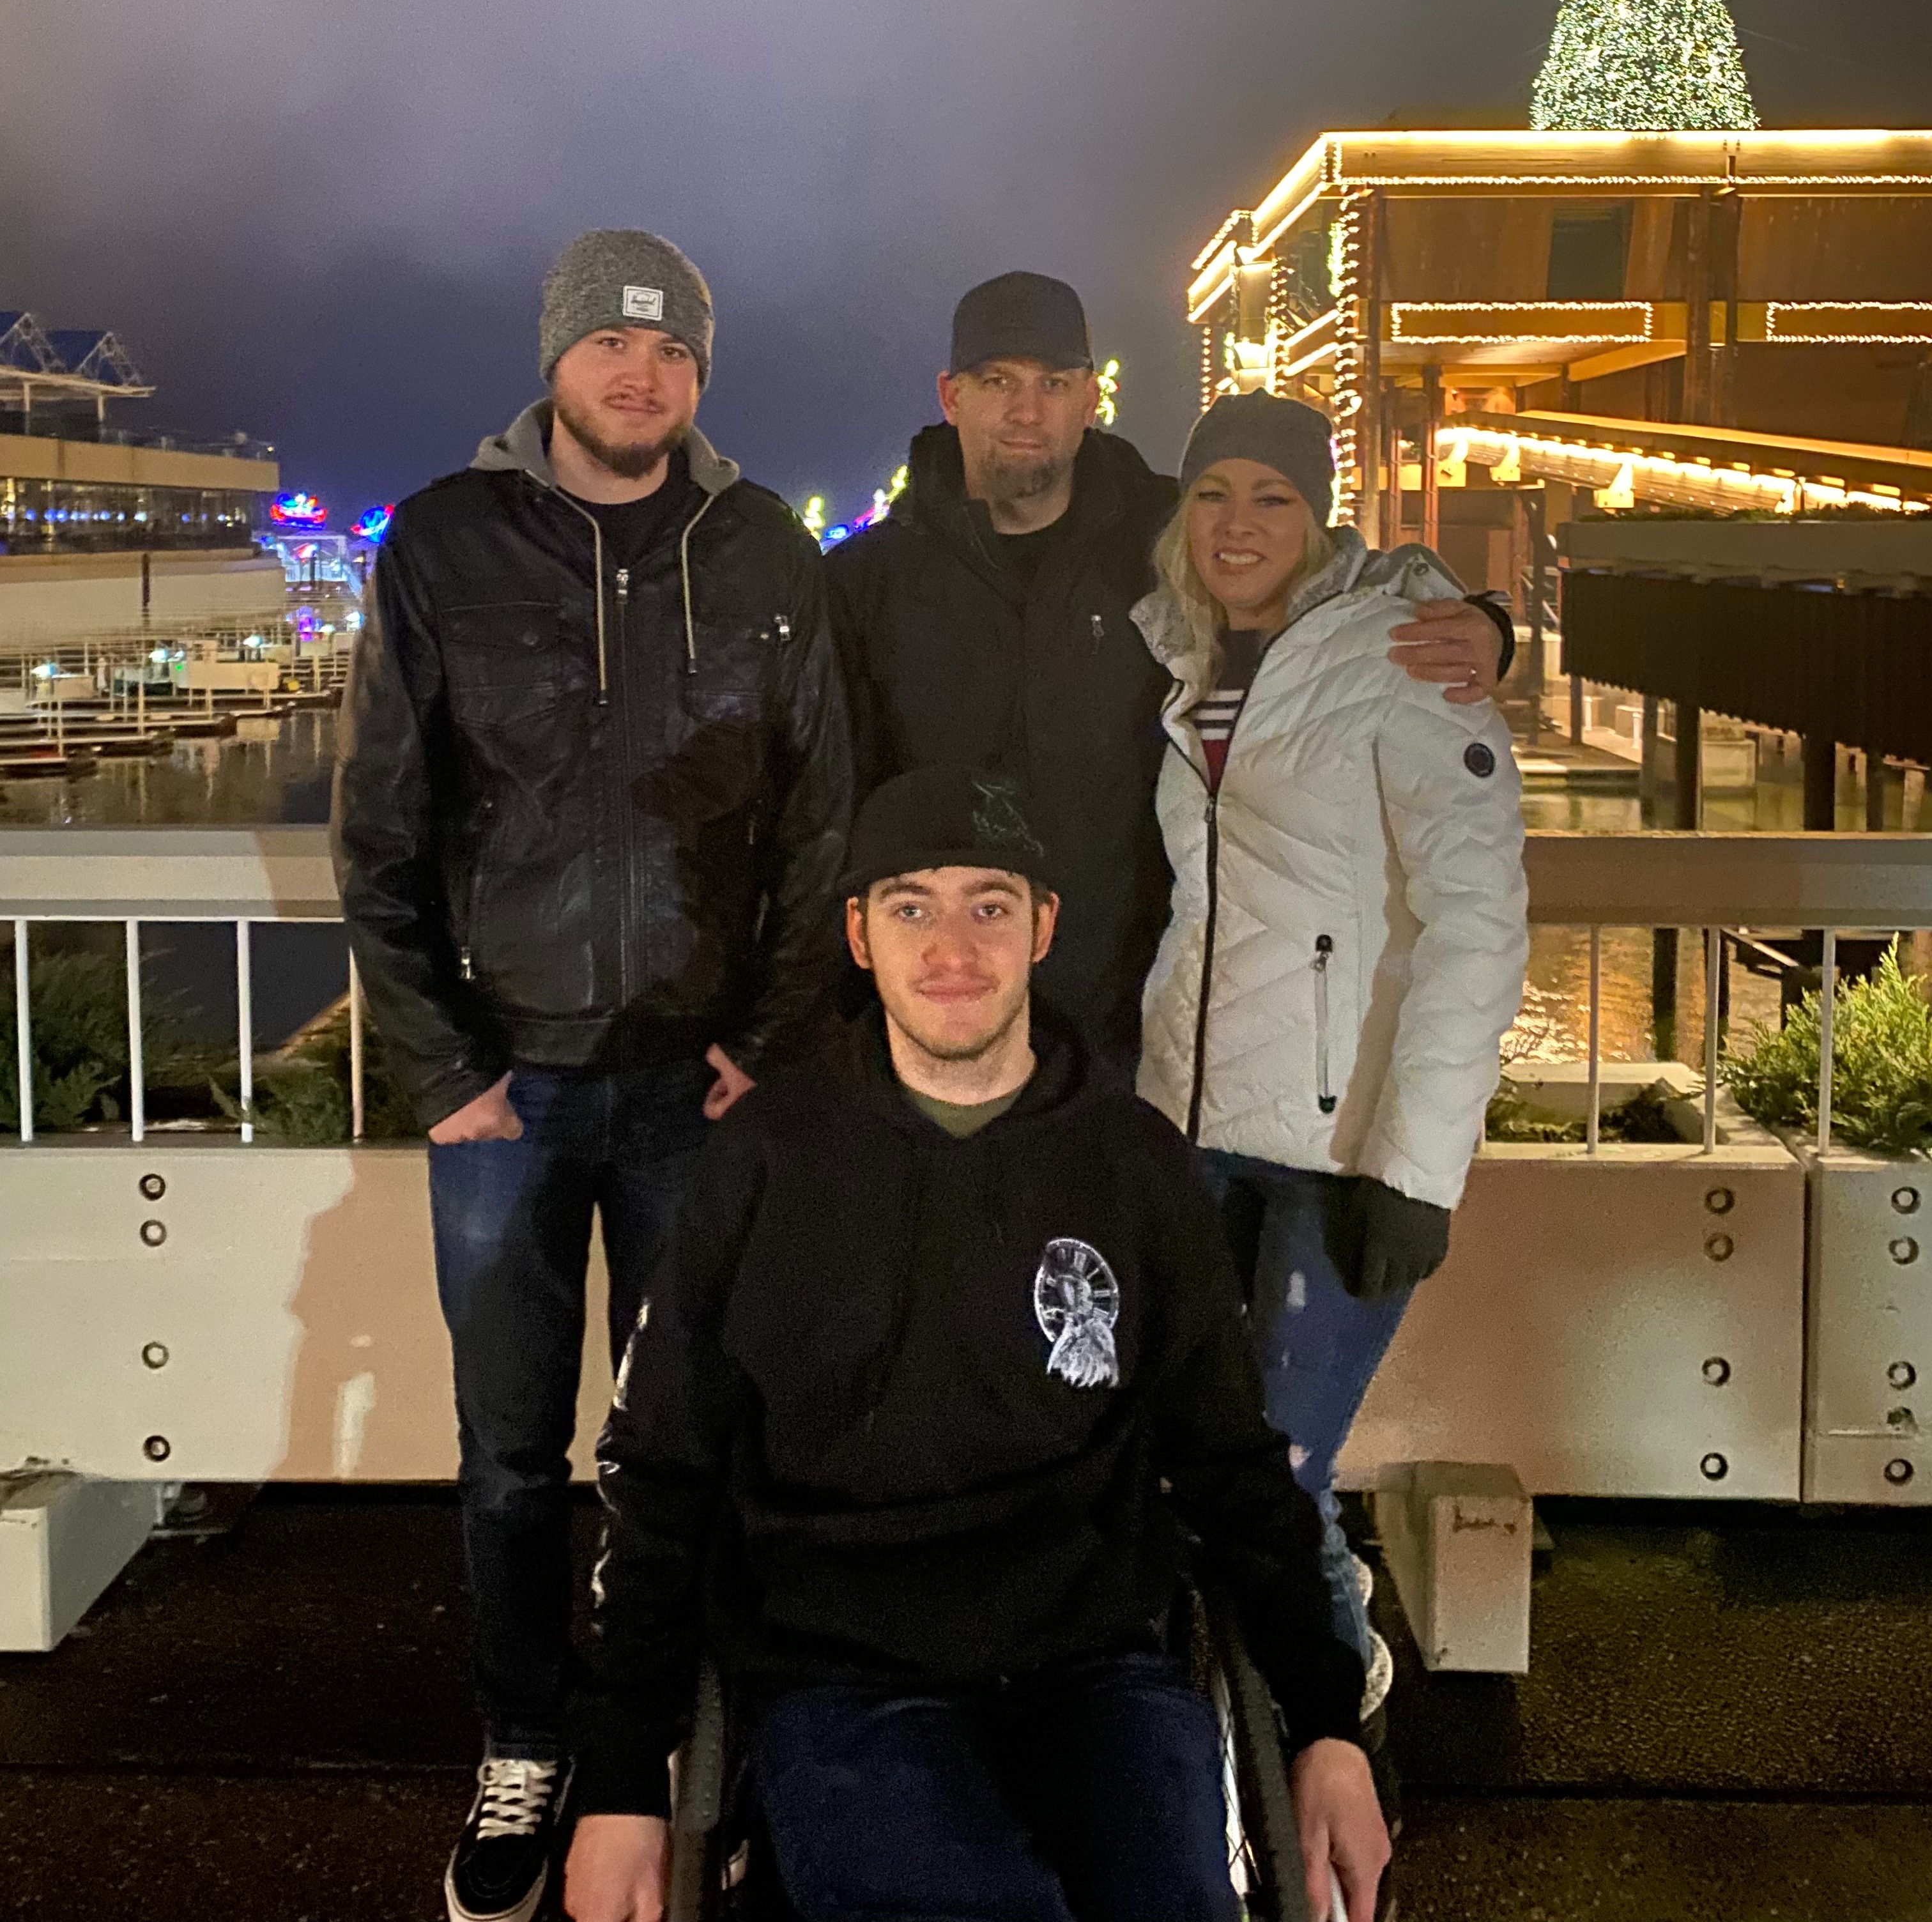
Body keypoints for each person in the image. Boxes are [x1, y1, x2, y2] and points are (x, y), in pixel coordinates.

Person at [563, 765, 1393, 1922]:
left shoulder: (1133, 1164)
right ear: (859, 936)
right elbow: (661, 1469)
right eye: (910, 906)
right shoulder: (766, 1158)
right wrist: (618, 1781)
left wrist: (1325, 1726)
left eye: (988, 905)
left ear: (1041, 928)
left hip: (1095, 1664)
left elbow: (1230, 1464)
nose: (951, 947)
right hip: (840, 1668)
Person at [332, 229, 850, 1922]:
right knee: (508, 1450)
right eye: (613, 345)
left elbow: (821, 822)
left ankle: (678, 1740)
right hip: (509, 1094)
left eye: (674, 350)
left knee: (693, 1441)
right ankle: (525, 1737)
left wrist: (763, 1044)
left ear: (700, 373)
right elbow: (380, 829)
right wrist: (442, 1070)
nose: (644, 374)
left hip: (698, 1086)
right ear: (554, 359)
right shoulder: (443, 543)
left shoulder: (763, 550)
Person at [824, 270, 1512, 1078]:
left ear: (1091, 399)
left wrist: (1482, 621)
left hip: (1134, 1021)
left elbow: (1322, 577)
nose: (1027, 411)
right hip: (939, 1012)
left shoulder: (1167, 536)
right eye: (998, 381)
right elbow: (831, 800)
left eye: (1054, 384)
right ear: (951, 396)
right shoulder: (869, 581)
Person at [1135, 390, 1529, 1724]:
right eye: (1211, 494)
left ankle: (1326, 1699)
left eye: (1272, 495)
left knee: (1281, 1465)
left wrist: (1414, 1168)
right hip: (1193, 1126)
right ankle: (1231, 1700)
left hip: (1337, 1141)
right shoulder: (1183, 651)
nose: (1236, 522)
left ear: (1319, 517)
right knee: (1199, 1449)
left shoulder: (1404, 653)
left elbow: (1476, 922)